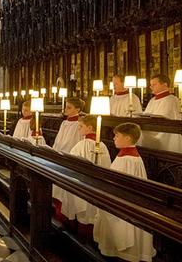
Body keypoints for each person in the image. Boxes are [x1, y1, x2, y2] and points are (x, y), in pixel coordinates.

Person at [94, 123, 156, 261]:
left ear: (127, 138)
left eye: (117, 136)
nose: (114, 138)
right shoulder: (130, 156)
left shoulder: (127, 159)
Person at [55, 115, 111, 231]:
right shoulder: (103, 145)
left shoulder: (82, 145)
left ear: (90, 127)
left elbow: (72, 164)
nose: (78, 128)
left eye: (80, 126)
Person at [139, 74, 182, 152]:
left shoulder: (171, 99)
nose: (151, 87)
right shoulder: (152, 100)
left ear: (165, 85)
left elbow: (165, 117)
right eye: (150, 85)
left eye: (154, 84)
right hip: (151, 128)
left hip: (166, 133)